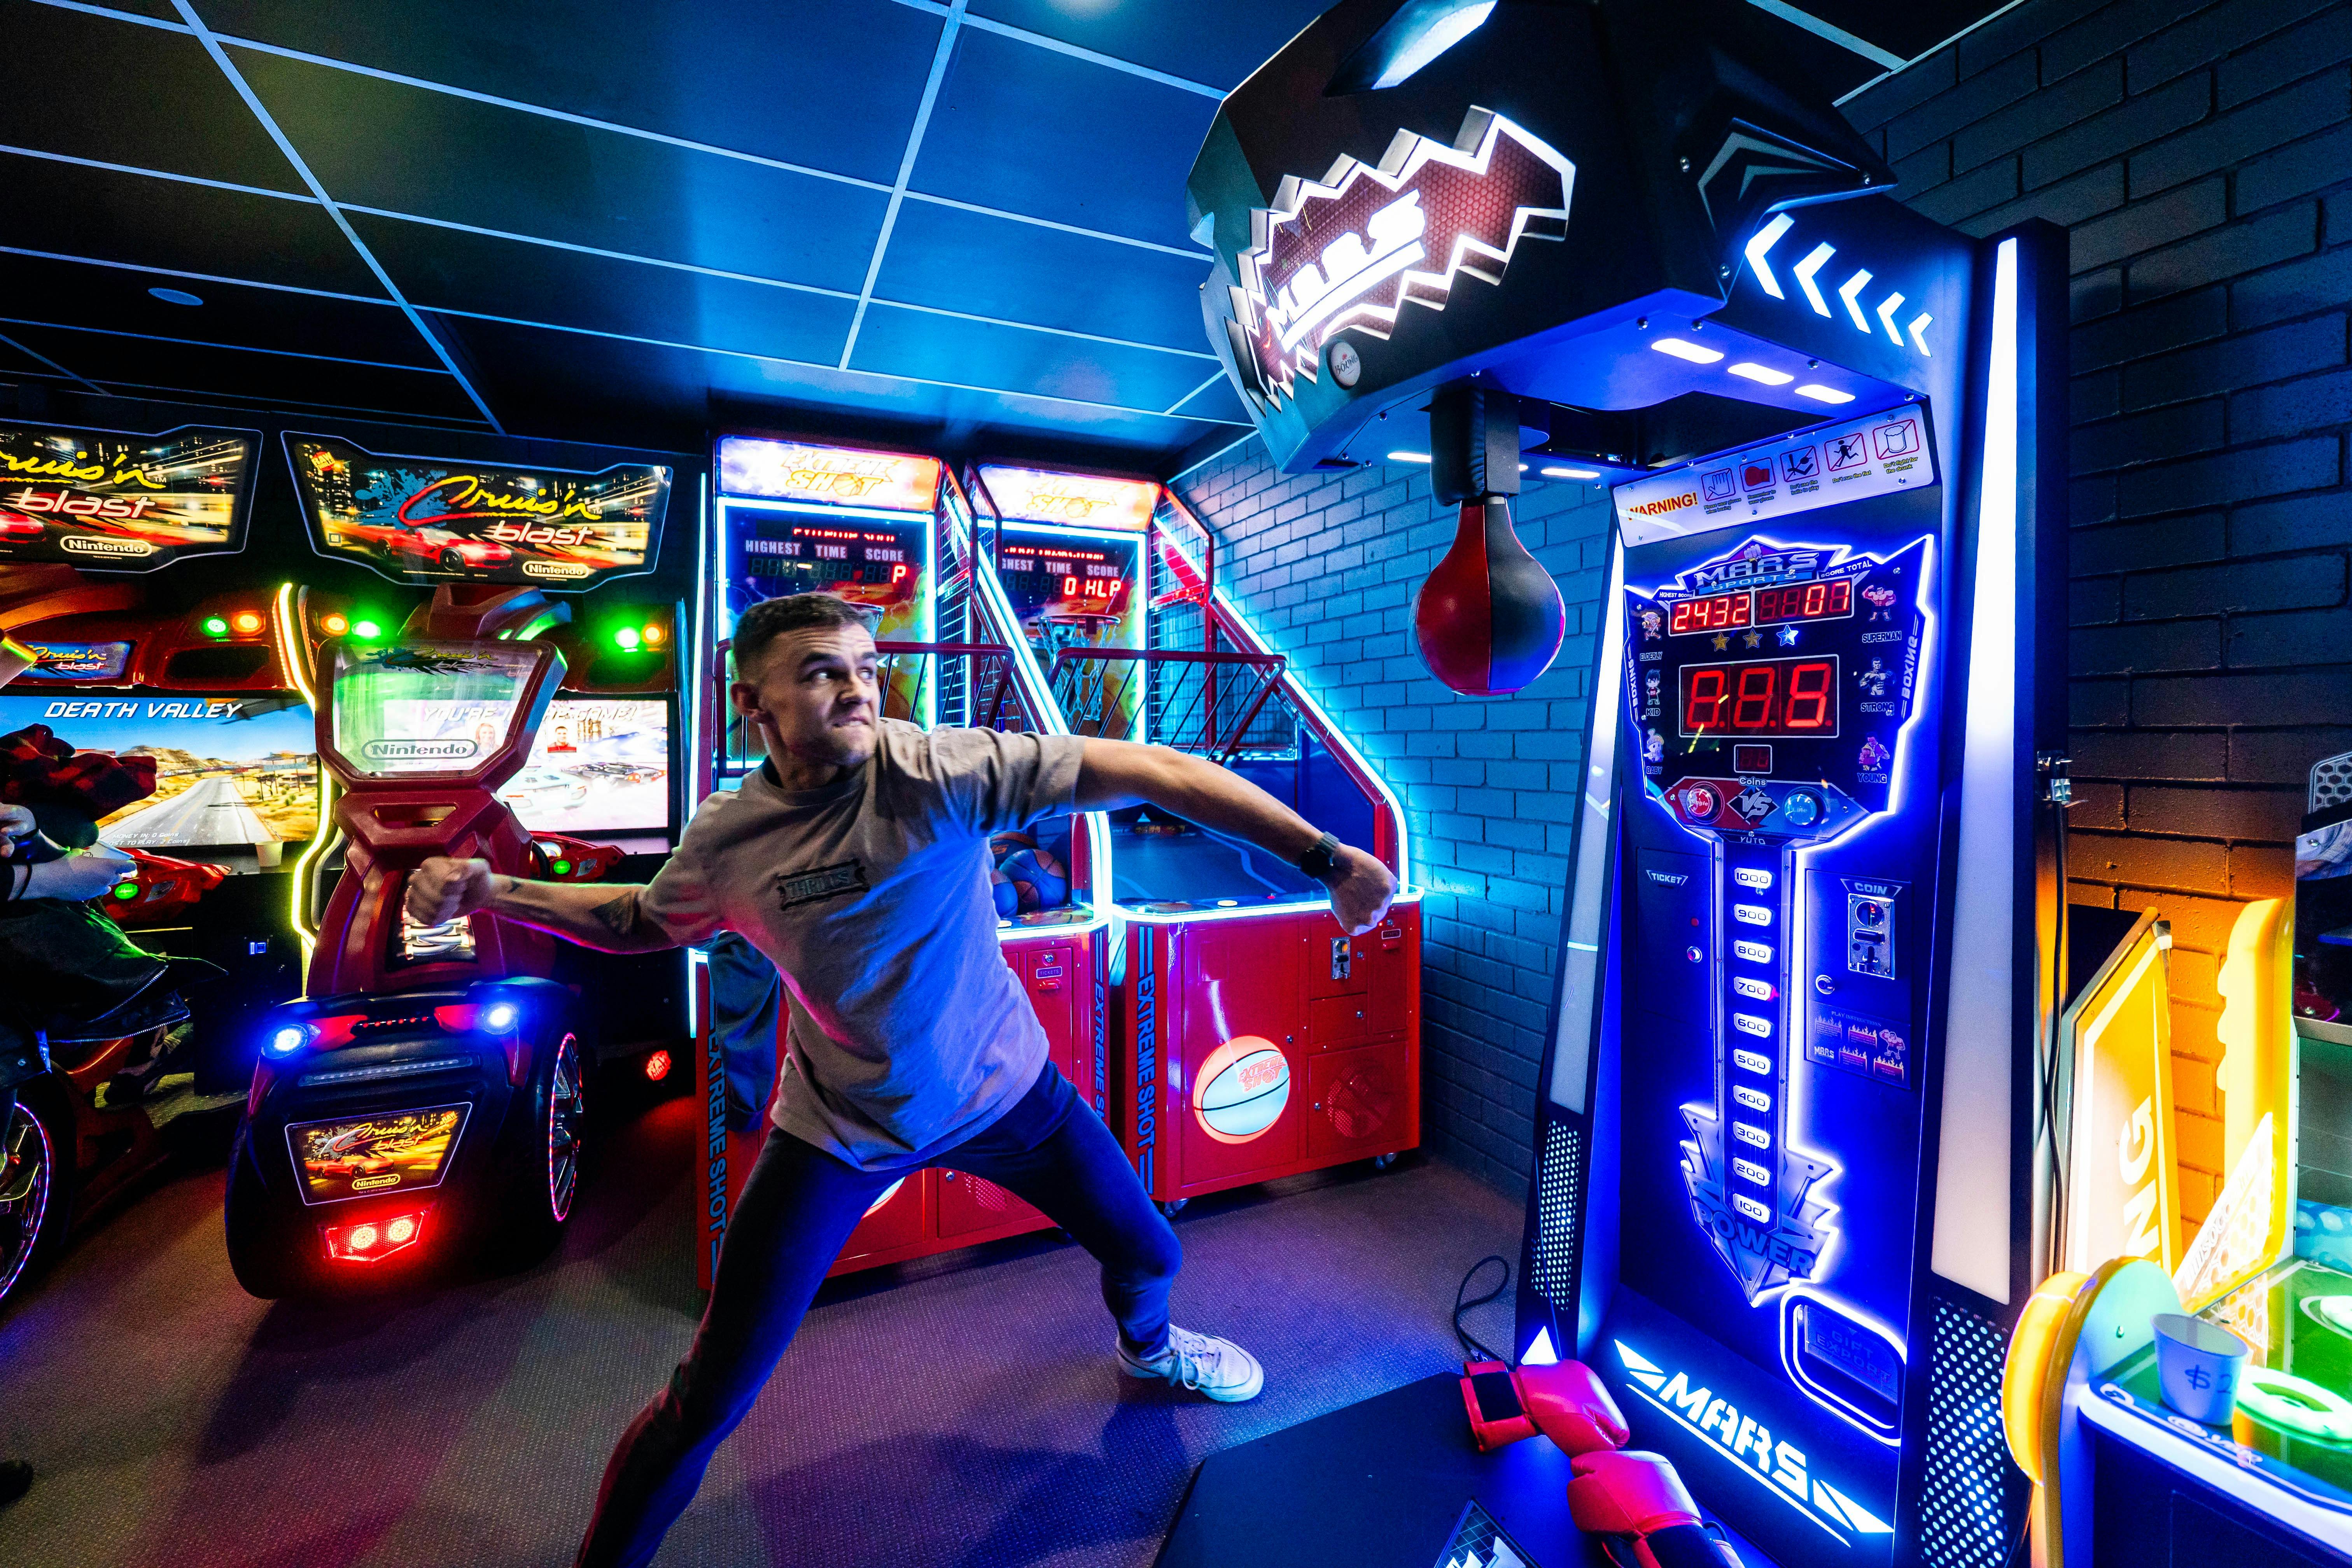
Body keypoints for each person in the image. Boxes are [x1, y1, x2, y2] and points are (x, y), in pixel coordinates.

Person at [403, 590, 1398, 1568]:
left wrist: (1324, 857)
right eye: (821, 672)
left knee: (1148, 1251)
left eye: (867, 670)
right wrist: (502, 891)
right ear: (753, 705)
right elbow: (641, 923)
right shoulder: (729, 837)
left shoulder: (939, 770)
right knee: (705, 1398)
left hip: (1011, 1098)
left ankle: (1151, 1349)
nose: (857, 691)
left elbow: (1161, 771)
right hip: (839, 1127)